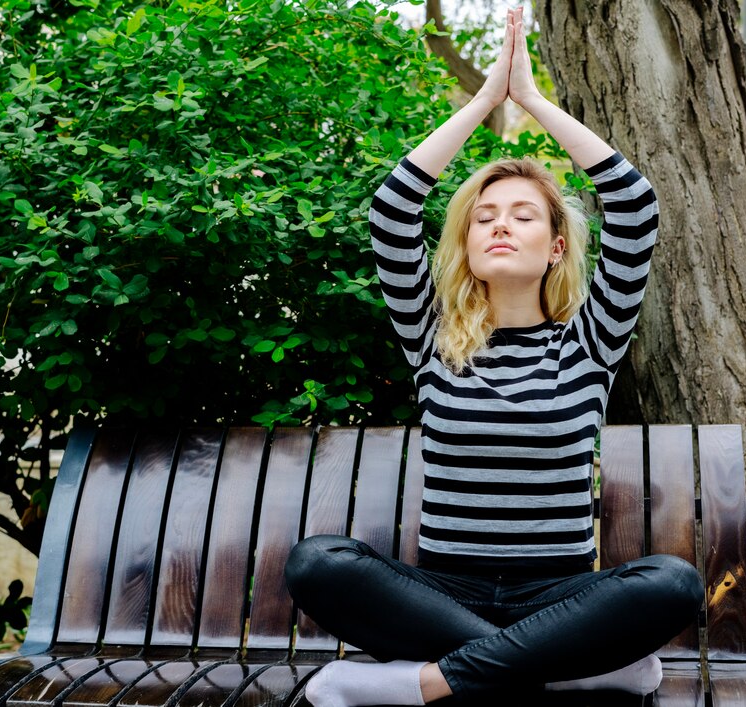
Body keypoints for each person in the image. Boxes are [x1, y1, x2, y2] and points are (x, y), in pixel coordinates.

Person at [284, 7, 705, 707]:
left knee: (673, 582)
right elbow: (392, 210)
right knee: (318, 562)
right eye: (484, 216)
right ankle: (555, 670)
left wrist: (535, 103)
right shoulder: (432, 336)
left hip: (559, 595)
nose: (500, 223)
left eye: (522, 214)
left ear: (558, 244)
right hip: (443, 591)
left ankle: (430, 683)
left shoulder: (590, 339)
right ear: (468, 242)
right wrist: (484, 102)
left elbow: (633, 205)